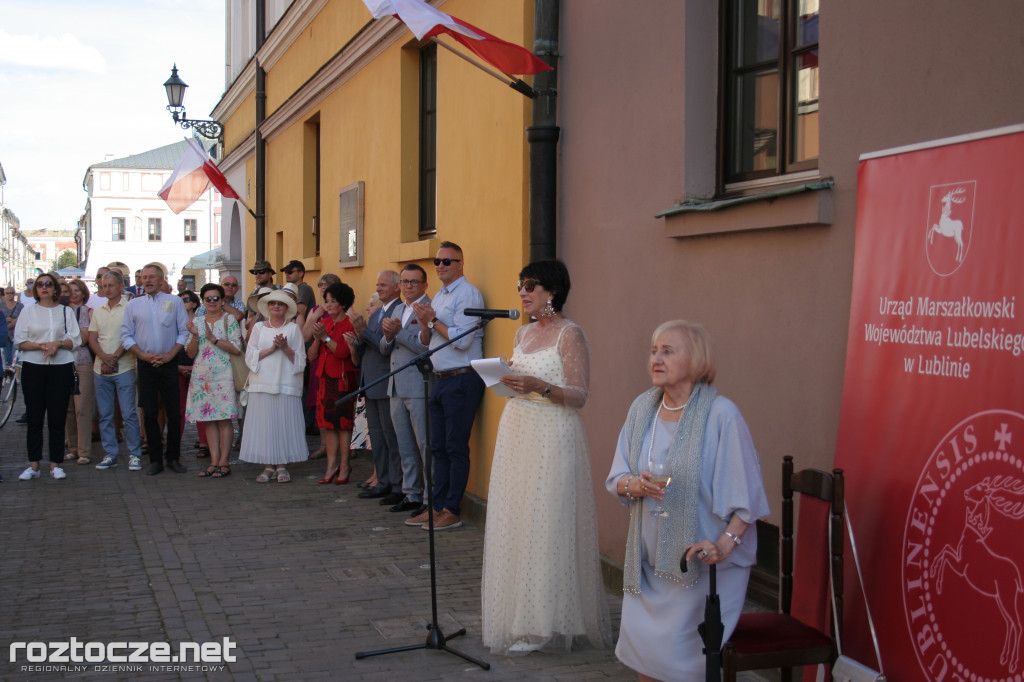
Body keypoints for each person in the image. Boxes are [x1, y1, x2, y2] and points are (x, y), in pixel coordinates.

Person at [605, 320, 770, 682]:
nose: (656, 358)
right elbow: (617, 479)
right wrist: (635, 486)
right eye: (653, 351)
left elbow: (748, 501)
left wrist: (724, 546)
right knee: (644, 659)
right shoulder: (641, 410)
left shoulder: (721, 415)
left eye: (668, 350)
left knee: (678, 665)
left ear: (694, 359)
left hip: (703, 567)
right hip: (648, 567)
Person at [481, 260, 612, 655]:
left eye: (531, 286)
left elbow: (579, 395)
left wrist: (541, 386)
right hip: (517, 429)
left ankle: (543, 624)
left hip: (552, 434)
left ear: (551, 291)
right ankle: (520, 616)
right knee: (518, 520)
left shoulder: (570, 335)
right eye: (520, 286)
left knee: (547, 522)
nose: (523, 293)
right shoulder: (522, 333)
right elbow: (521, 380)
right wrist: (505, 377)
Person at [408, 241, 486, 531]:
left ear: (460, 263)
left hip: (461, 378)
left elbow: (462, 339)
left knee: (455, 447)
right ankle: (435, 507)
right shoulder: (439, 295)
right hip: (439, 378)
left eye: (447, 261)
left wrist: (433, 319)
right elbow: (427, 341)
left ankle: (452, 509)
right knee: (437, 447)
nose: (441, 266)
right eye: (437, 262)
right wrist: (425, 325)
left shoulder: (468, 294)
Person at [121, 263, 190, 475]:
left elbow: (183, 331)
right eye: (144, 277)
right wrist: (141, 355)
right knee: (149, 413)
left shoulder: (174, 301)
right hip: (146, 363)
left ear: (162, 281)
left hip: (169, 363)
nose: (147, 281)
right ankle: (155, 459)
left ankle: (173, 457)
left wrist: (170, 354)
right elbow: (126, 335)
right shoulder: (133, 305)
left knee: (174, 413)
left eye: (152, 277)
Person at [14, 272, 81, 480]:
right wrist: (40, 345)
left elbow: (75, 339)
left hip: (60, 366)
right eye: (40, 284)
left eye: (48, 284)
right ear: (36, 289)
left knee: (57, 416)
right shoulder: (28, 311)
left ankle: (55, 463)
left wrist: (58, 344)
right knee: (34, 416)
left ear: (55, 289)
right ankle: (33, 464)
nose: (44, 287)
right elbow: (19, 340)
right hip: (34, 366)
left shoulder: (65, 311)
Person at [239, 290, 307, 482]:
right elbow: (249, 355)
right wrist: (271, 349)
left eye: (280, 304)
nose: (276, 306)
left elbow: (301, 359)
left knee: (283, 424)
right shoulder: (259, 328)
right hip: (262, 383)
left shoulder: (293, 329)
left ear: (286, 308)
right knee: (265, 426)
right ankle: (268, 466)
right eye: (272, 303)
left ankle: (282, 465)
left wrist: (286, 349)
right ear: (267, 307)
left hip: (285, 383)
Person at [380, 264, 431, 515]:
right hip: (396, 385)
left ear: (424, 285)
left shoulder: (428, 308)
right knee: (404, 445)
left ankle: (428, 498)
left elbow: (426, 347)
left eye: (414, 282)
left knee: (424, 444)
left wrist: (397, 334)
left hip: (418, 385)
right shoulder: (399, 308)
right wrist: (389, 337)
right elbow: (384, 347)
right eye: (405, 282)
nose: (408, 286)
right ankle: (410, 494)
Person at [354, 271, 404, 506]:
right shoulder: (378, 313)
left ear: (397, 287)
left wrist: (363, 331)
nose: (379, 288)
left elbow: (385, 347)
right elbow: (368, 342)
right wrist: (357, 337)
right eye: (378, 285)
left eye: (383, 285)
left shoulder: (398, 311)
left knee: (389, 436)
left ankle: (397, 484)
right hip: (370, 381)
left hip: (385, 381)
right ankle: (382, 481)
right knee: (377, 435)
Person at [185, 283, 243, 478]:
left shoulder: (230, 320)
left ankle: (224, 461)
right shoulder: (198, 322)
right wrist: (195, 336)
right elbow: (191, 353)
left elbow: (236, 348)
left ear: (221, 300)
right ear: (202, 301)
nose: (212, 302)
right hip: (202, 377)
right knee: (209, 420)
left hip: (224, 375)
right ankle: (213, 461)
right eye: (208, 299)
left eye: (215, 298)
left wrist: (213, 339)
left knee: (224, 419)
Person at [89, 271, 143, 471]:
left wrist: (113, 357)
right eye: (103, 286)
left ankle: (134, 453)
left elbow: (130, 336)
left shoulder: (130, 308)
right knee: (105, 414)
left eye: (111, 285)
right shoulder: (99, 310)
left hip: (125, 367)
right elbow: (93, 338)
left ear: (121, 286)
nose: (106, 289)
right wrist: (104, 357)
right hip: (100, 368)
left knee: (129, 413)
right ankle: (110, 453)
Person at [308, 281, 358, 484]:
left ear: (344, 304)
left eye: (333, 301)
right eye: (326, 301)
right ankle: (331, 466)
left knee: (343, 425)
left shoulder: (349, 324)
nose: (328, 305)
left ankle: (345, 465)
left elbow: (344, 352)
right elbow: (311, 356)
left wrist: (325, 338)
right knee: (328, 425)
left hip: (342, 380)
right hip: (324, 379)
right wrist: (319, 339)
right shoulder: (325, 324)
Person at [303, 273, 341, 461]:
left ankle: (343, 446)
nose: (322, 288)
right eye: (320, 284)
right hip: (318, 359)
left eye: (327, 284)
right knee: (321, 404)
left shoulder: (343, 309)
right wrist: (314, 317)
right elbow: (304, 337)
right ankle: (324, 445)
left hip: (337, 360)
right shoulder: (316, 309)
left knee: (338, 404)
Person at [64, 279, 95, 465]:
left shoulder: (82, 311)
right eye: (70, 291)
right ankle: (72, 448)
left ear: (83, 294)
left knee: (81, 407)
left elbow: (83, 339)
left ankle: (84, 450)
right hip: (63, 362)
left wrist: (64, 339)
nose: (73, 294)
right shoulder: (60, 311)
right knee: (67, 408)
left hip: (82, 361)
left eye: (77, 290)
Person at [177, 290, 209, 459]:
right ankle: (176, 443)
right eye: (180, 299)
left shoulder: (201, 322)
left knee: (202, 406)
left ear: (195, 303)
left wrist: (195, 367)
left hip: (199, 367)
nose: (182, 302)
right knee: (179, 408)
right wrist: (177, 366)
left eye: (186, 299)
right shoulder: (174, 322)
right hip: (178, 366)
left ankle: (204, 443)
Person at [3, 285, 24, 365]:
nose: (10, 295)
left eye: (11, 293)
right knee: (7, 358)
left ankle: (16, 375)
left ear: (14, 294)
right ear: (5, 294)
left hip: (16, 334)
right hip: (5, 335)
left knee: (15, 357)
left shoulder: (20, 306)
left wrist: (13, 321)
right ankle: (8, 376)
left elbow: (22, 319)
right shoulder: (1, 306)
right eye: (7, 293)